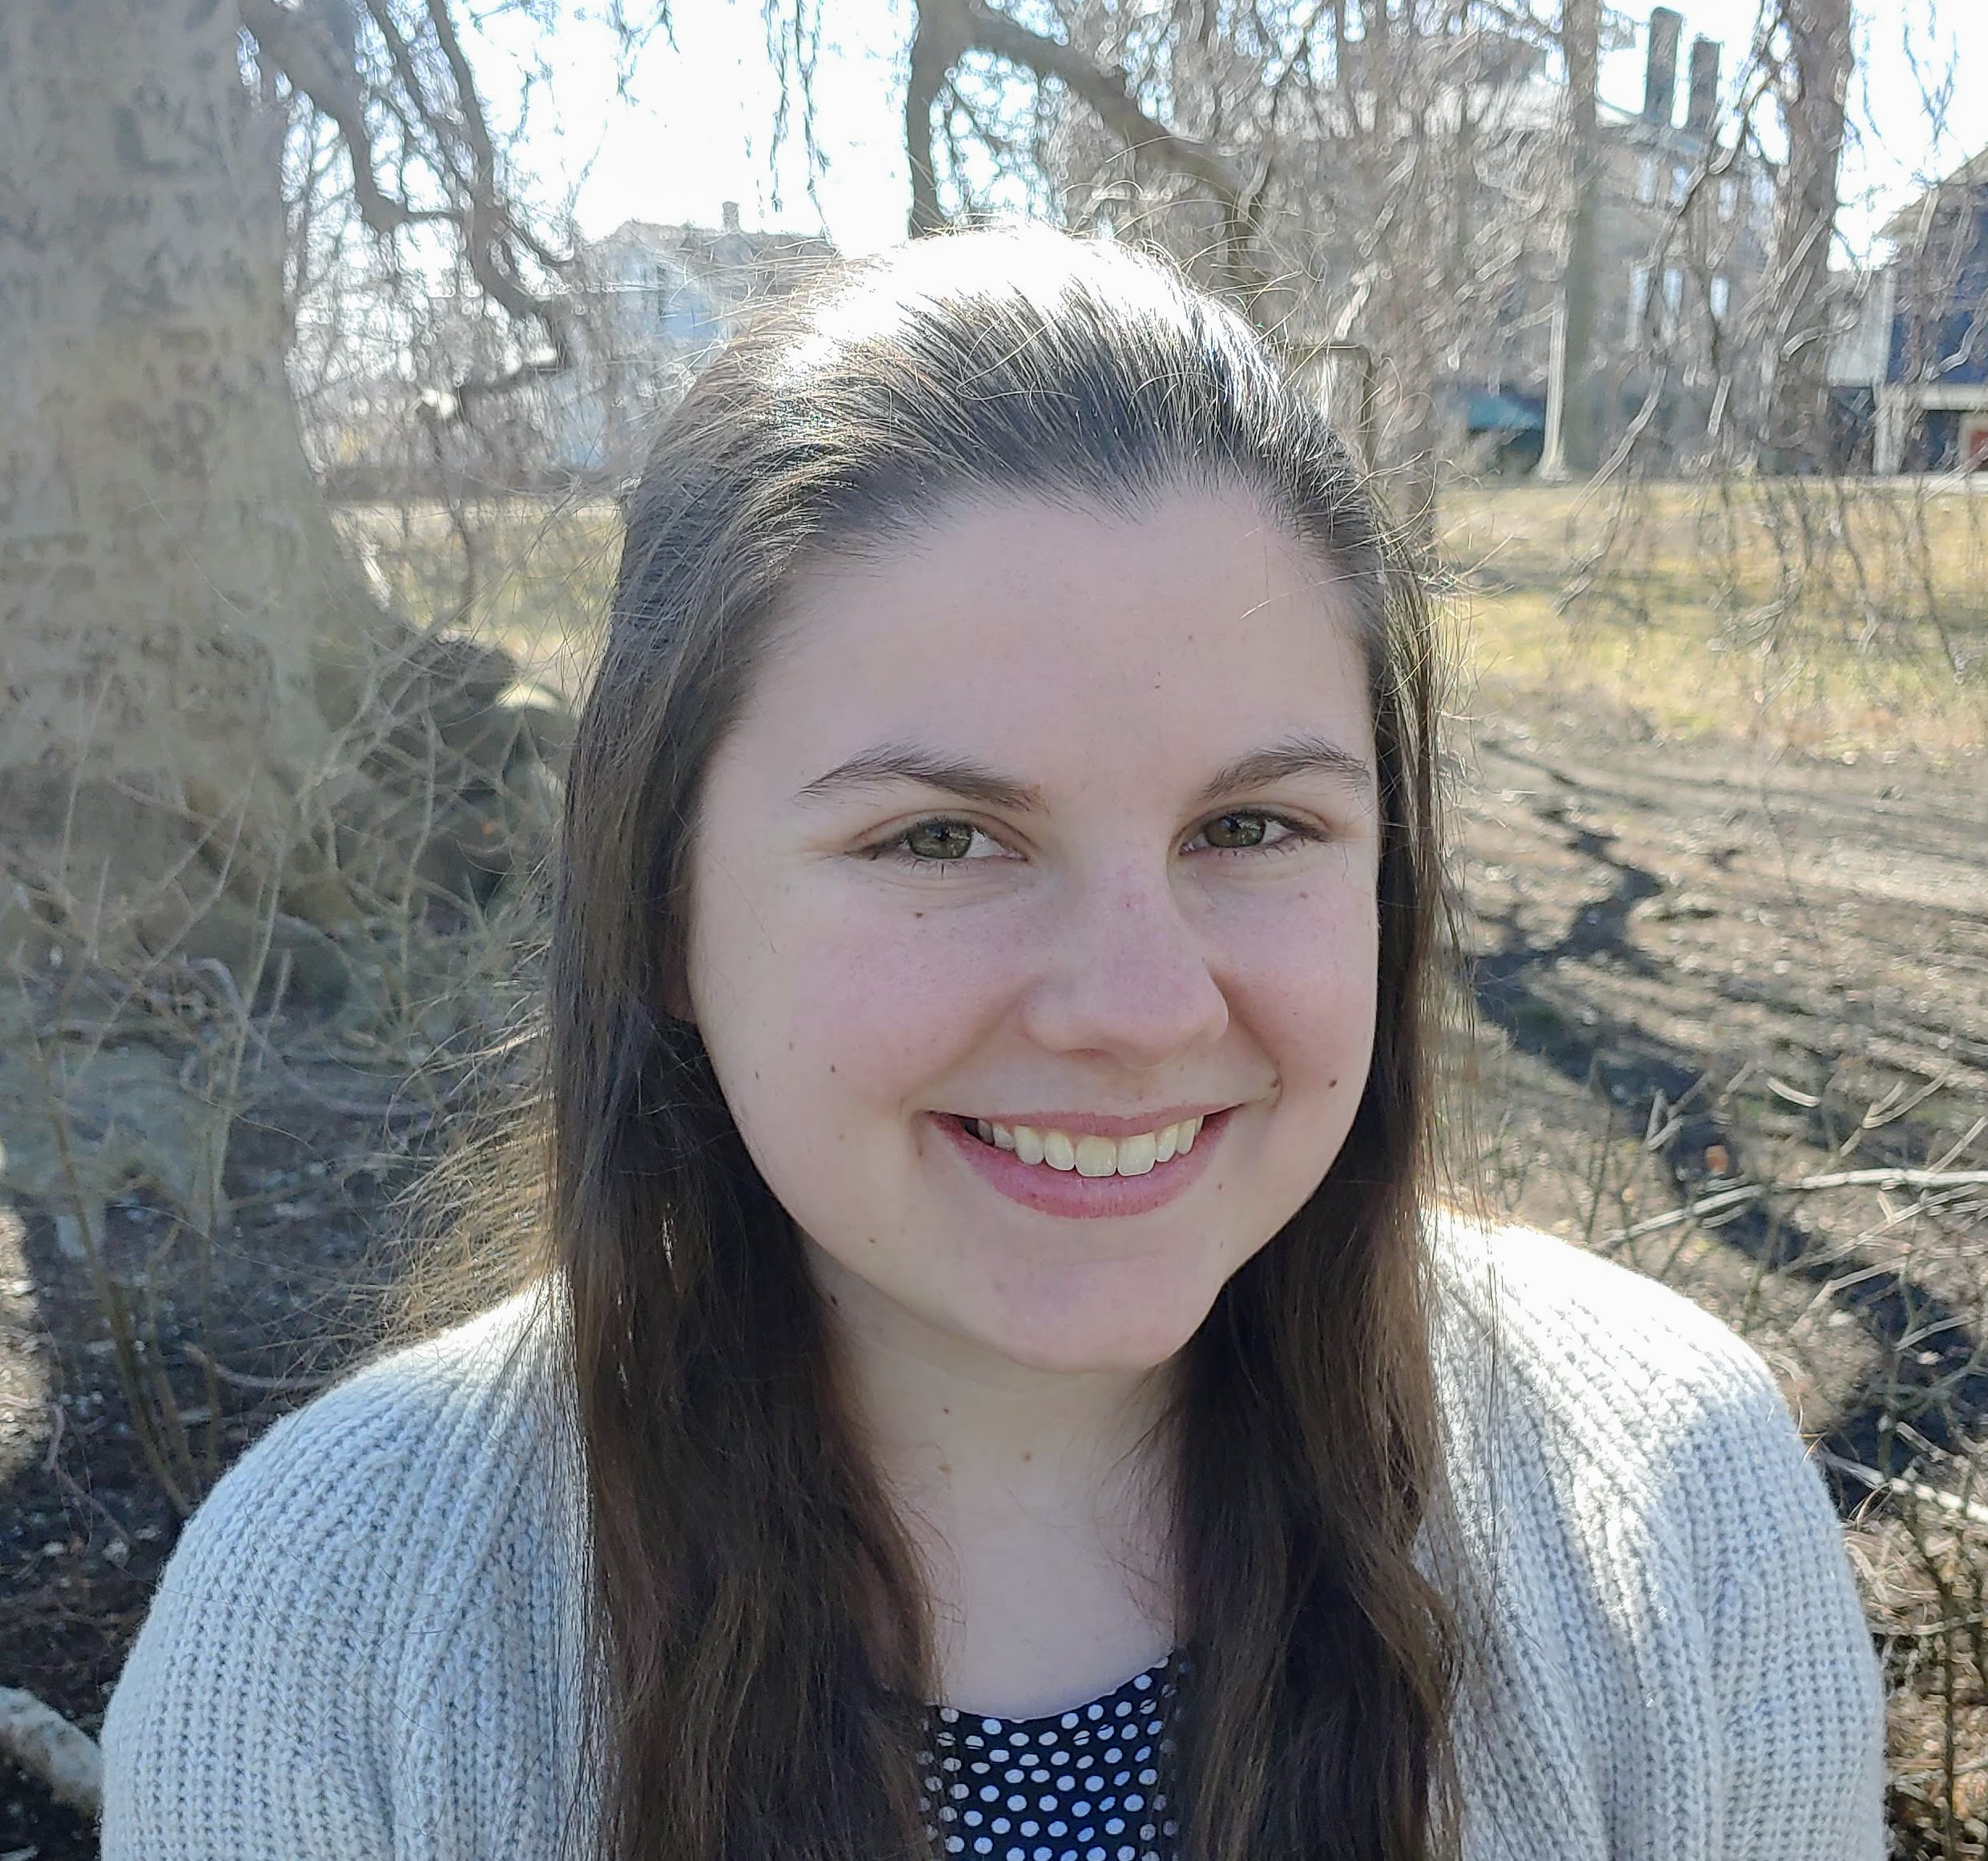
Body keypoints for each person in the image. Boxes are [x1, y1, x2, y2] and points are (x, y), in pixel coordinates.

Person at [100, 227, 1885, 1861]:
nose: (1136, 1005)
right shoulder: (327, 1634)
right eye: (940, 840)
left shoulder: (1667, 1502)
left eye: (1250, 828)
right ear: (660, 904)